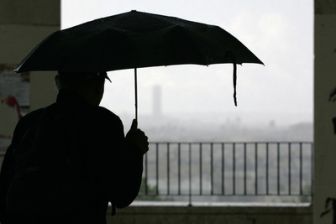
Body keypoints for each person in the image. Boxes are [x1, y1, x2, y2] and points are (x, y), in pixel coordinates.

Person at [0, 71, 149, 224]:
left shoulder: (29, 123)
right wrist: (135, 150)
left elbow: (5, 186)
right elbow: (122, 195)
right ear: (98, 86)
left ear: (58, 82)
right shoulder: (104, 124)